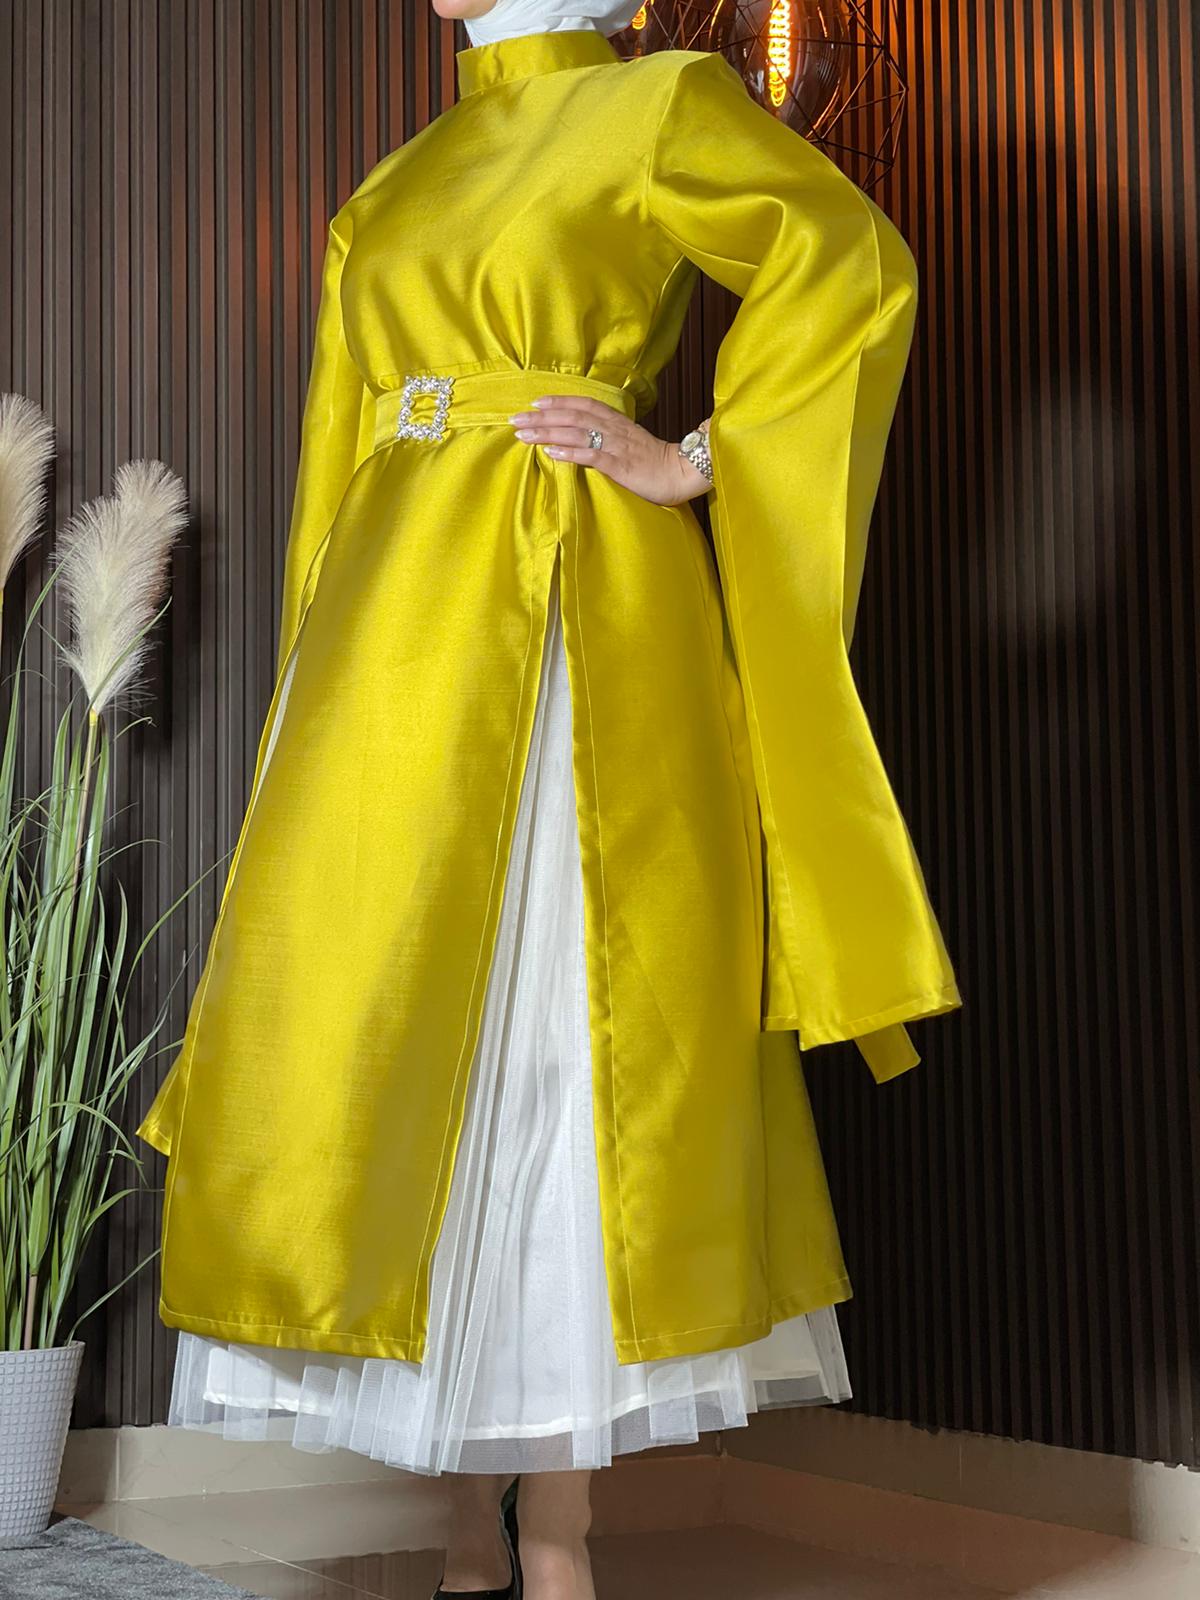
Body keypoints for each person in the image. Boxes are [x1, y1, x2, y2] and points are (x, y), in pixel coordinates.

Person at [135, 0, 962, 1595]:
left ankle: (562, 1532)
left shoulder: (663, 102)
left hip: (578, 598)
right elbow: (338, 447)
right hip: (388, 636)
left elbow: (849, 259)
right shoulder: (392, 182)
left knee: (566, 1047)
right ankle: (465, 1521)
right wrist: (310, 671)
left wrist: (700, 456)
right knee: (389, 1046)